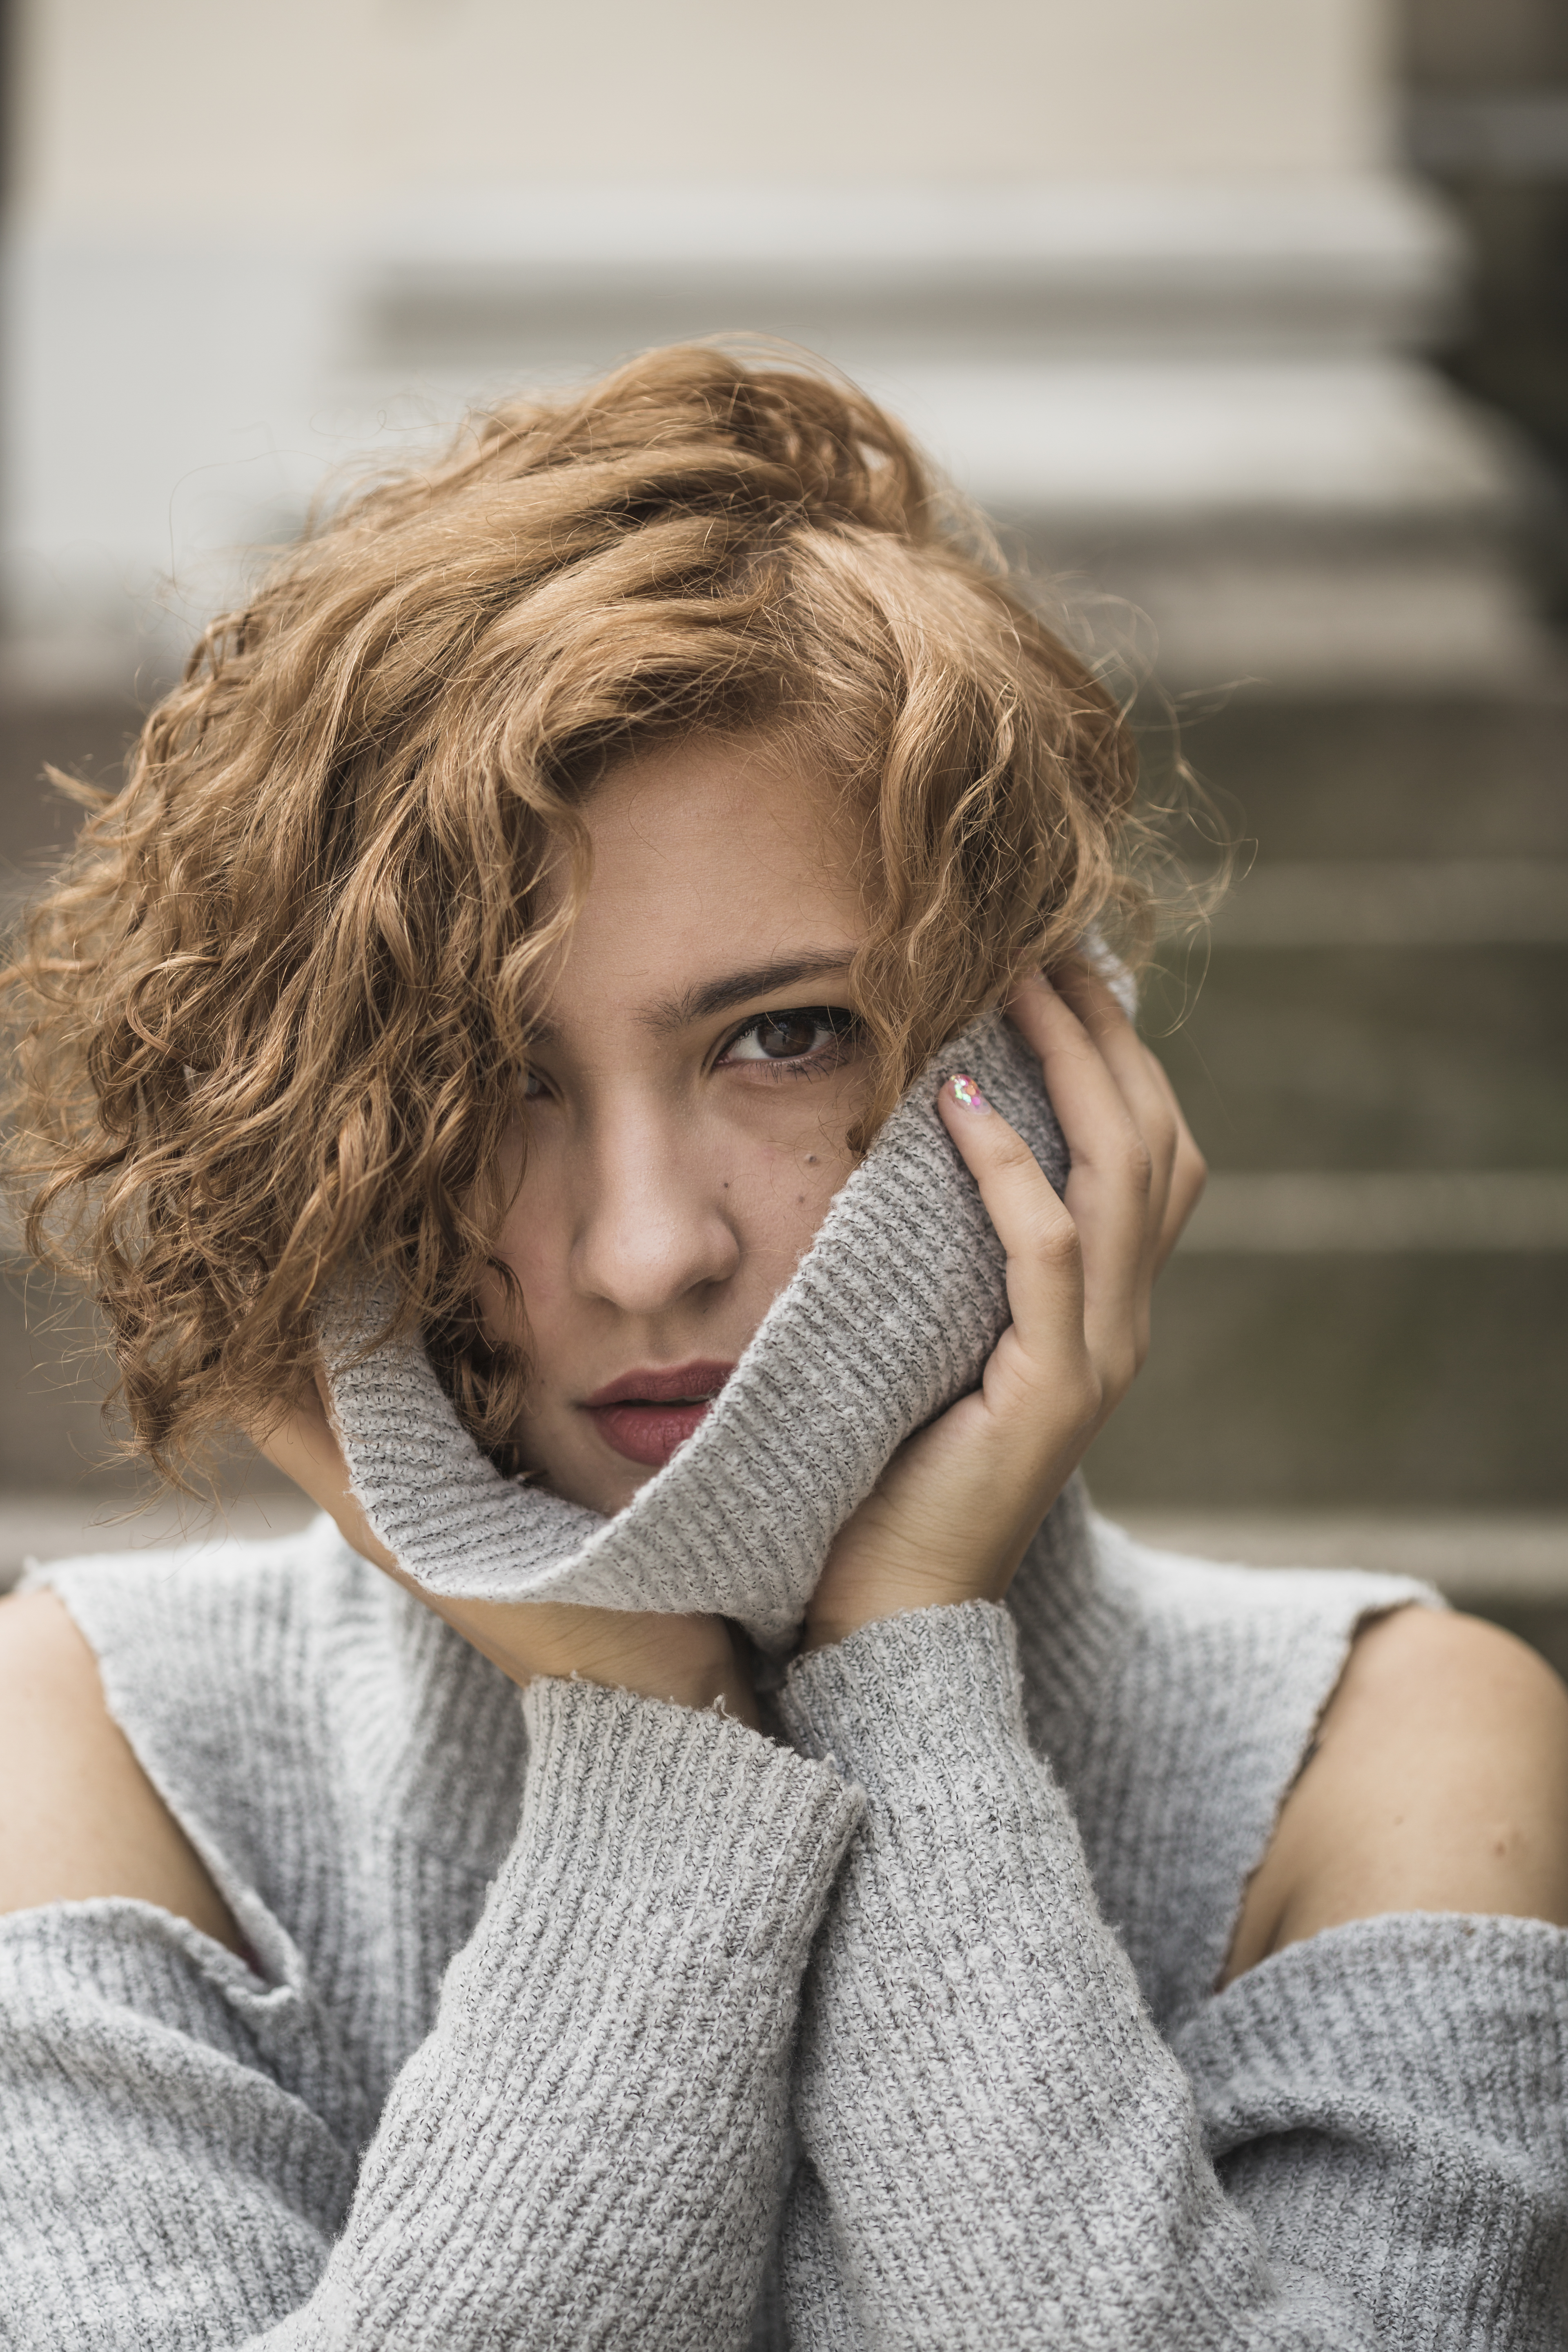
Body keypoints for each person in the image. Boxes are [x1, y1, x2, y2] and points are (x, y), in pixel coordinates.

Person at [1, 347, 1565, 2350]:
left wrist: (906, 1671)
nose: (647, 1254)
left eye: (782, 1037)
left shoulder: (1385, 1753)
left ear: (1034, 1062)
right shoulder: (101, 1744)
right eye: (487, 1077)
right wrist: (652, 1743)